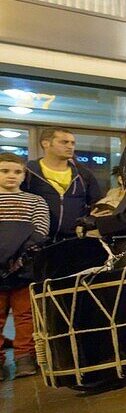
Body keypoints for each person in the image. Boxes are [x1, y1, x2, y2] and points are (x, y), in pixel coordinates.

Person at [0, 153, 50, 378]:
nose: (12, 176)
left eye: (17, 172)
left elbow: (40, 230)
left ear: (24, 175)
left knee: (25, 314)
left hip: (24, 267)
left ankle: (24, 357)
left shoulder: (35, 201)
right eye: (5, 171)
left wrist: (20, 257)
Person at [22, 127, 102, 240]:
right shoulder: (28, 172)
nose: (70, 146)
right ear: (46, 143)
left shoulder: (83, 174)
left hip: (73, 241)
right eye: (64, 142)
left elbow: (96, 204)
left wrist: (90, 223)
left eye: (72, 143)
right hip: (35, 241)